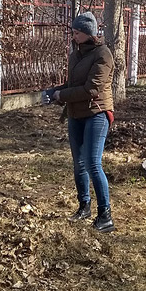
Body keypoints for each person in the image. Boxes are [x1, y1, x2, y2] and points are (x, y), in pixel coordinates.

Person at [45, 12, 115, 233]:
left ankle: (105, 216)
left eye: (77, 33)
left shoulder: (103, 54)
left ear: (88, 33)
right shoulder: (76, 54)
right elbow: (74, 82)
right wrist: (57, 90)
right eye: (73, 32)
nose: (73, 36)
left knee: (93, 163)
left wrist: (61, 96)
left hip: (97, 113)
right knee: (79, 164)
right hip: (76, 114)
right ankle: (84, 206)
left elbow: (91, 89)